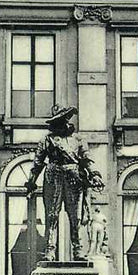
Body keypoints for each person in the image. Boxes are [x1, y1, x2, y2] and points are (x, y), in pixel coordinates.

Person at [25, 104, 104, 261]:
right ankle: (49, 251)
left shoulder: (79, 139)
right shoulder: (47, 140)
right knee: (51, 216)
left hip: (74, 176)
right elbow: (38, 163)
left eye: (65, 119)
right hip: (53, 175)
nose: (64, 123)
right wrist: (31, 183)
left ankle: (78, 250)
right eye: (60, 120)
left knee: (75, 216)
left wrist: (94, 174)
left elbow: (86, 159)